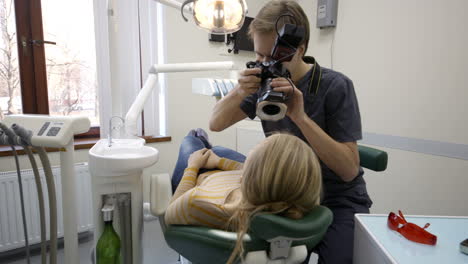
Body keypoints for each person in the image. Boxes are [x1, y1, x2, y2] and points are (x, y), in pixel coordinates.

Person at [209, 1, 372, 263]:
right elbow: (215, 123)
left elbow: (349, 169)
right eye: (260, 56)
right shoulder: (264, 83)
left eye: (273, 58)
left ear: (300, 49)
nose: (266, 64)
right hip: (286, 194)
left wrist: (300, 116)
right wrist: (240, 90)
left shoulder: (335, 86)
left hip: (337, 197)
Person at [166, 130, 322, 263]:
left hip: (199, 177)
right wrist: (219, 161)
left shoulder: (198, 201)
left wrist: (192, 166)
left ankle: (198, 138)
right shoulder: (289, 202)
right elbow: (250, 170)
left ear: (249, 175)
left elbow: (170, 213)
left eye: (253, 153)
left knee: (192, 142)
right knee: (217, 150)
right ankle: (209, 146)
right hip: (229, 173)